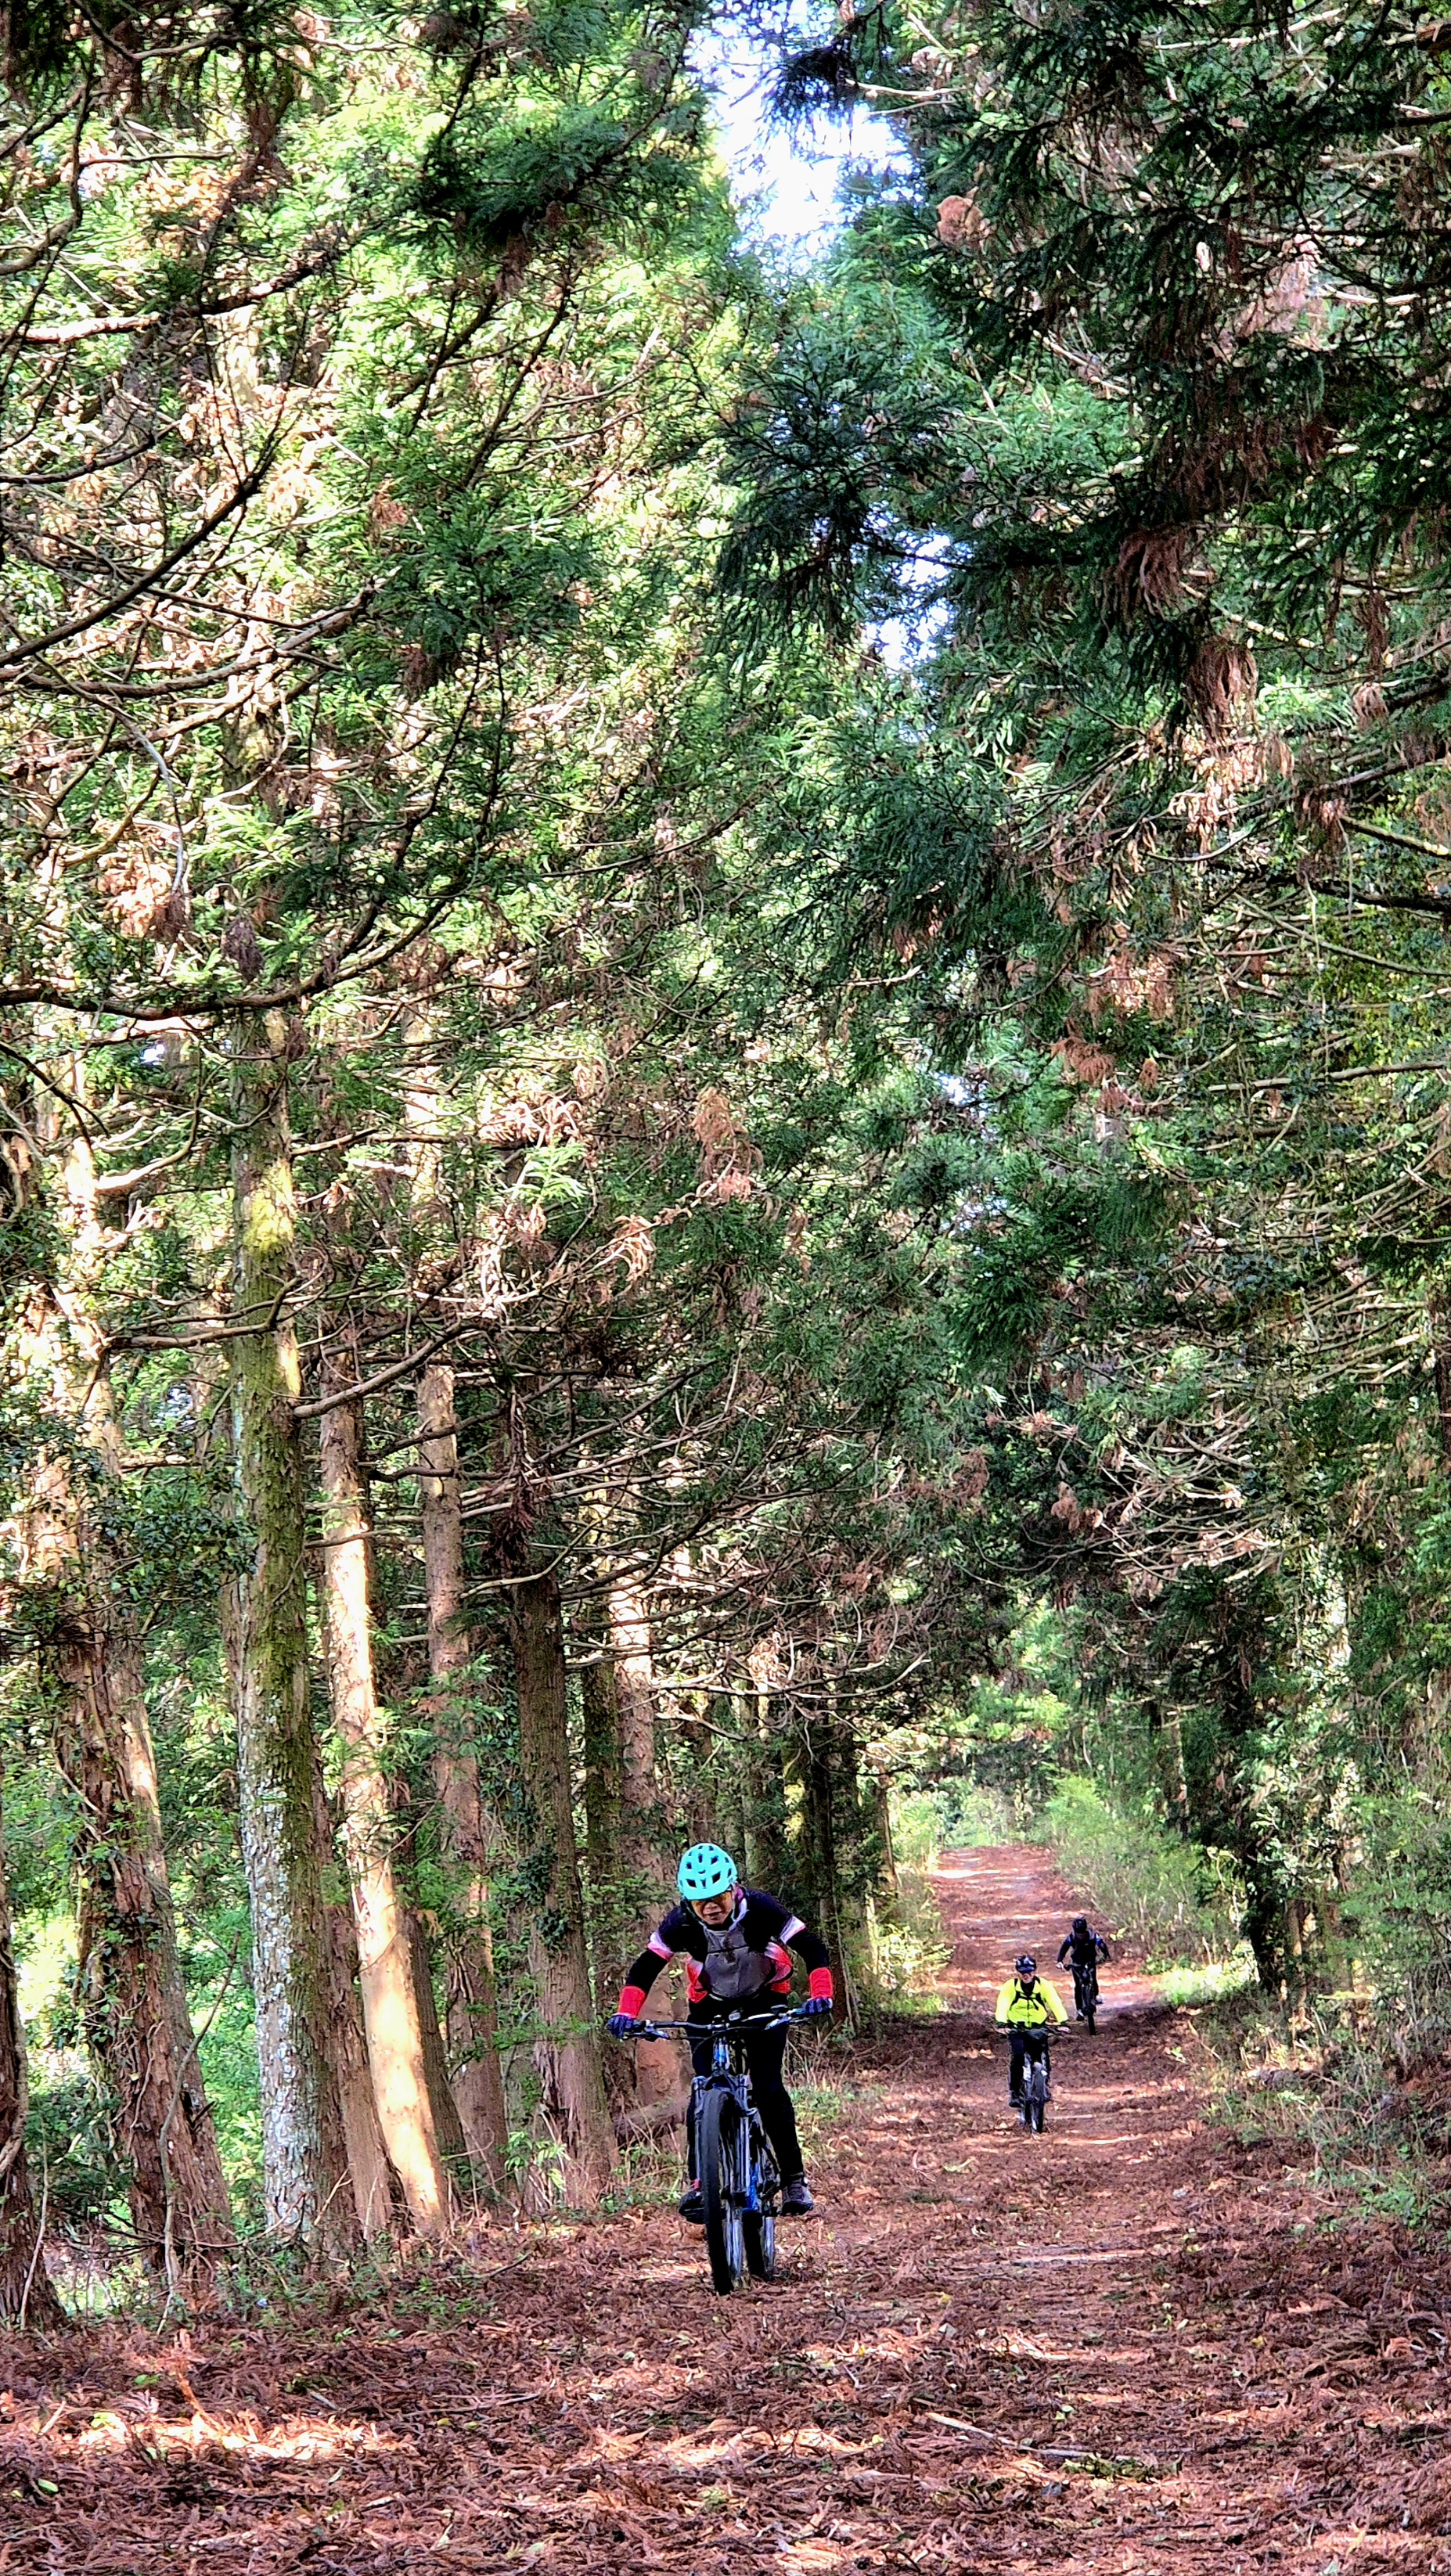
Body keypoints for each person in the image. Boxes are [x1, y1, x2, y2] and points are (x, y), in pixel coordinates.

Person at [607, 1842, 834, 2220]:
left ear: (733, 1889)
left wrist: (821, 1994)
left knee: (767, 2087)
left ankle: (794, 2180)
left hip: (765, 1998)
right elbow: (645, 1968)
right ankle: (701, 2184)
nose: (711, 1907)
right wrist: (625, 2013)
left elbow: (811, 1947)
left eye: (718, 1898)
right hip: (710, 2003)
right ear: (689, 1903)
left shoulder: (761, 1908)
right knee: (703, 2088)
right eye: (701, 1902)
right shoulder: (679, 1923)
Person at [993, 1952, 1066, 2105]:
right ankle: (1015, 2092)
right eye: (1022, 1972)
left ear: (1034, 1971)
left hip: (1038, 2028)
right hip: (1017, 2029)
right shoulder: (1011, 1986)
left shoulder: (1043, 1985)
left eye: (1030, 1972)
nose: (1026, 1975)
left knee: (1042, 2057)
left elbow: (1055, 2002)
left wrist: (1063, 2021)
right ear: (1017, 1972)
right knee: (1018, 2057)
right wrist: (1001, 2023)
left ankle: (1044, 2086)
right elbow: (1003, 2004)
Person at [1057, 1914, 1111, 2020]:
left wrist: (1106, 1955)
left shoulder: (1093, 1935)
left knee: (1093, 1978)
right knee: (1078, 1985)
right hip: (1077, 1962)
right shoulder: (1071, 1937)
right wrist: (1060, 1960)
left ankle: (1095, 1996)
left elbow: (1101, 1944)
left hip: (1090, 1960)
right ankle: (1079, 2010)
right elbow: (1064, 1948)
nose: (1081, 1935)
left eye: (1082, 1933)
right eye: (1078, 1933)